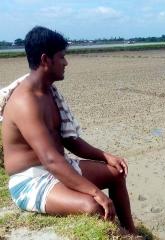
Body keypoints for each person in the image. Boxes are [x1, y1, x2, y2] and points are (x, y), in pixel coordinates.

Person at [1, 26, 138, 236]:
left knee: (116, 174)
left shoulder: (49, 92)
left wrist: (106, 156)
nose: (66, 63)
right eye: (62, 57)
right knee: (92, 206)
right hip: (31, 180)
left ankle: (131, 233)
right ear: (46, 60)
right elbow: (50, 160)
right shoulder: (25, 102)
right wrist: (95, 192)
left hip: (57, 168)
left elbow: (70, 141)